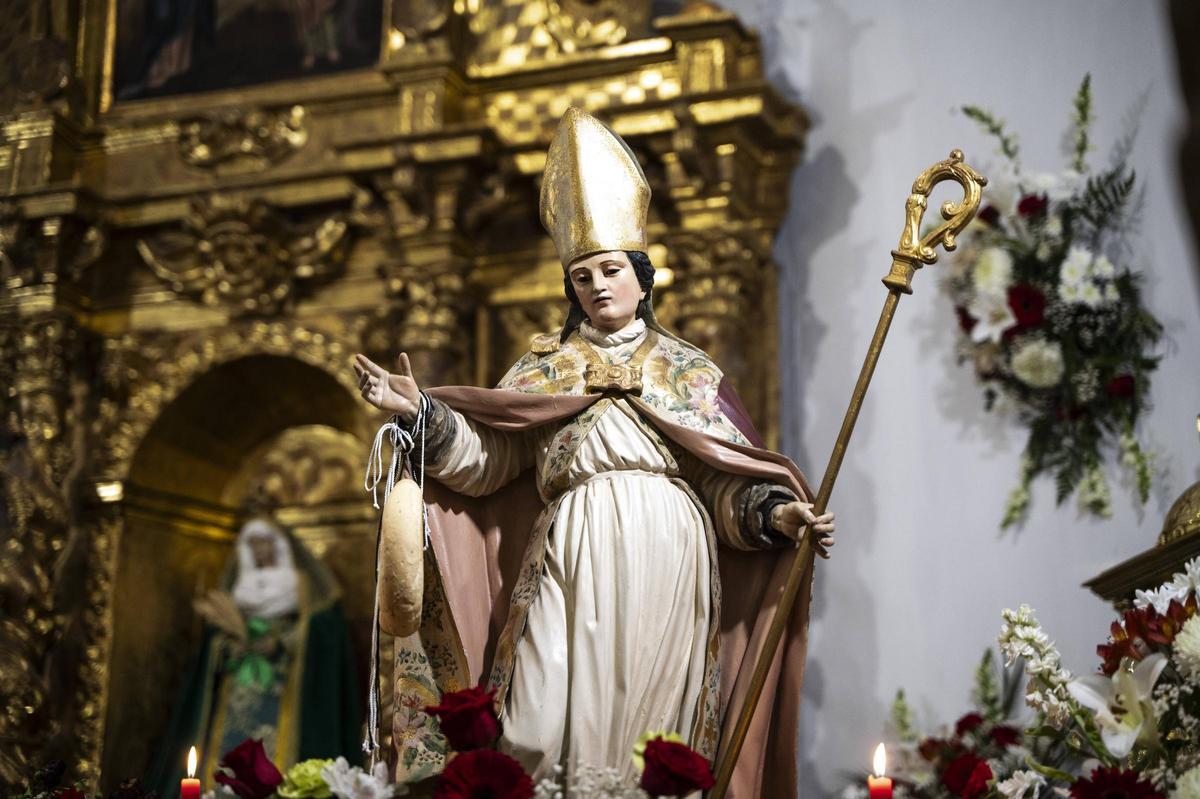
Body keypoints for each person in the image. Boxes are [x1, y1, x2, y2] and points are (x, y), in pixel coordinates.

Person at [354, 107, 834, 796]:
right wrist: (424, 415)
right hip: (573, 548)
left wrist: (776, 516)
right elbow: (489, 463)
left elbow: (724, 481)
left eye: (611, 269)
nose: (598, 286)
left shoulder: (688, 372)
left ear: (642, 276)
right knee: (537, 724)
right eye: (582, 276)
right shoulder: (545, 368)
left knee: (647, 734)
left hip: (669, 557)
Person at [149, 515, 360, 792]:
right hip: (237, 688)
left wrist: (281, 643)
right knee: (227, 757)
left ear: (278, 546)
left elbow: (321, 631)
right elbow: (214, 643)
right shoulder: (241, 586)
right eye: (254, 545)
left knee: (276, 755)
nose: (260, 551)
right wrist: (230, 646)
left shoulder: (301, 584)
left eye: (265, 544)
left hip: (282, 685)